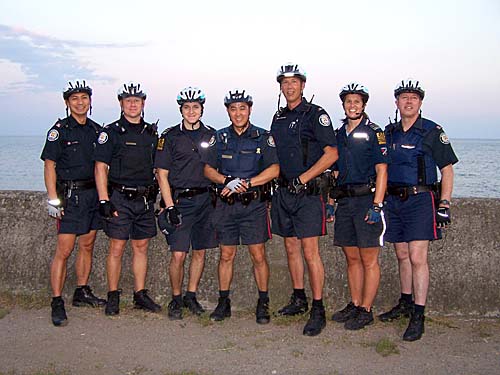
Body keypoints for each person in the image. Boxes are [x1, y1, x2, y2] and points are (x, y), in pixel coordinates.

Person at [379, 79, 458, 341]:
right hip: (394, 201)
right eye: (404, 98)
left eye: (414, 98)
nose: (408, 102)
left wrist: (444, 203)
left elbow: (447, 170)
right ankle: (405, 302)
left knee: (417, 257)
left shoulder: (432, 132)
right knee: (401, 254)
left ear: (420, 103)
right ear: (397, 103)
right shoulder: (389, 133)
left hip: (421, 200)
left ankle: (419, 314)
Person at [270, 63, 338, 336]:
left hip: (308, 194)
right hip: (284, 192)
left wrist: (304, 179)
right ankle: (299, 298)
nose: (289, 87)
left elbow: (331, 153)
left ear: (303, 85)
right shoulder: (278, 117)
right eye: (284, 83)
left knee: (310, 252)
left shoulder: (315, 114)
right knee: (290, 248)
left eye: (294, 82)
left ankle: (318, 308)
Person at [201, 89, 279, 324]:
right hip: (226, 206)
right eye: (233, 108)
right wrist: (227, 181)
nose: (238, 113)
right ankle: (223, 302)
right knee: (226, 255)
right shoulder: (219, 137)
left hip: (253, 205)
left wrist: (247, 183)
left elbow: (274, 170)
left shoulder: (263, 137)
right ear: (227, 111)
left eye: (242, 108)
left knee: (258, 255)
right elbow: (207, 169)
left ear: (250, 109)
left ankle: (263, 302)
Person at [41, 80, 106, 326]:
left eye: (84, 98)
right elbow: (49, 165)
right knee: (64, 250)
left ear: (90, 102)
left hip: (91, 196)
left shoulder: (96, 130)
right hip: (69, 197)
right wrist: (53, 199)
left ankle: (82, 291)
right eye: (75, 99)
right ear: (67, 103)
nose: (80, 102)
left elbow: (102, 166)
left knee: (87, 245)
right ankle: (57, 301)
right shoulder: (59, 130)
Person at [94, 82, 161, 316]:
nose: (133, 104)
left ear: (143, 104)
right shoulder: (110, 132)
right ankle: (113, 296)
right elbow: (101, 167)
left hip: (144, 199)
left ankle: (140, 295)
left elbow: (158, 170)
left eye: (137, 100)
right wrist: (104, 200)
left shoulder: (152, 134)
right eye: (128, 100)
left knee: (141, 247)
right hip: (119, 198)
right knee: (116, 248)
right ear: (121, 104)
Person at [155, 87, 218, 320]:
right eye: (187, 107)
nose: (191, 111)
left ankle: (191, 295)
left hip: (206, 201)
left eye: (196, 107)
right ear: (181, 110)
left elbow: (217, 169)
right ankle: (176, 297)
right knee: (179, 255)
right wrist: (169, 206)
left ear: (202, 109)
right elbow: (162, 174)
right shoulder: (169, 136)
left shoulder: (212, 136)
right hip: (181, 202)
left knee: (200, 252)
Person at [329, 83, 388, 330]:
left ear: (364, 105)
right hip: (344, 201)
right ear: (343, 105)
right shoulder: (338, 133)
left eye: (357, 101)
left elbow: (382, 170)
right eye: (348, 102)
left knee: (368, 258)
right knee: (351, 257)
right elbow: (334, 171)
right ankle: (354, 303)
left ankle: (366, 309)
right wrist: (331, 203)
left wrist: (377, 205)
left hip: (366, 200)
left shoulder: (375, 132)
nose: (352, 105)